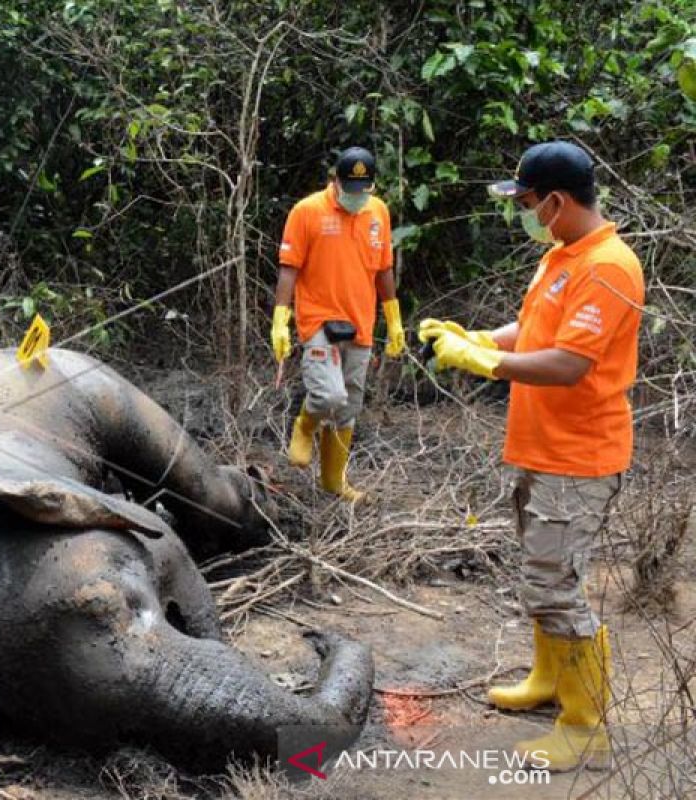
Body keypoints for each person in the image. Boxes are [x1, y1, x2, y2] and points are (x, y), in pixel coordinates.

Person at [418, 140, 644, 772]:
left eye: (524, 201)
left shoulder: (609, 266)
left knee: (555, 586)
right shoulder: (563, 256)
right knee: (542, 575)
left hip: (580, 455)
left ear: (555, 200)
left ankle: (584, 725)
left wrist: (486, 364)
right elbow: (541, 332)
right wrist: (481, 338)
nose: (521, 211)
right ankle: (549, 680)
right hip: (542, 447)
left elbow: (571, 363)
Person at [271, 146, 405, 503]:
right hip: (318, 318)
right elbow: (290, 267)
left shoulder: (378, 212)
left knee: (348, 407)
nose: (357, 198)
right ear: (335, 181)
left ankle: (333, 481)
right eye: (351, 189)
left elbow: (384, 268)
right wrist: (280, 320)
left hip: (360, 321)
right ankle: (304, 426)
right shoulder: (307, 211)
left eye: (364, 190)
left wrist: (393, 318)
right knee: (328, 394)